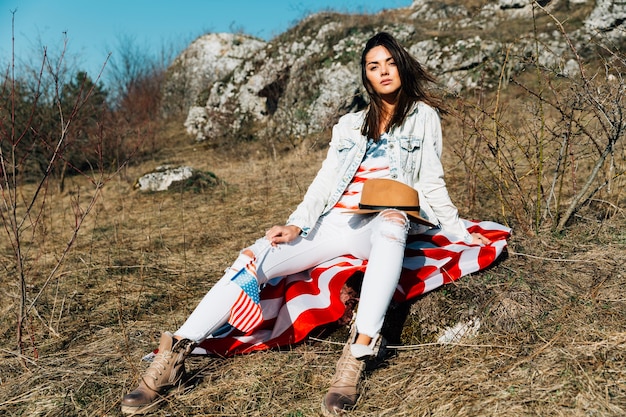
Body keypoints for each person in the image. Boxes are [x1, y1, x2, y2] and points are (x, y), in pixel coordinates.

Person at [120, 31, 493, 416]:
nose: (383, 72)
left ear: (401, 64)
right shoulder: (348, 125)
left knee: (393, 222)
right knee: (257, 256)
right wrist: (296, 224)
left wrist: (457, 230)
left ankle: (357, 354)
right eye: (373, 66)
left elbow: (431, 181)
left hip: (381, 223)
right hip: (333, 222)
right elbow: (325, 181)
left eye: (390, 63)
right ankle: (174, 355)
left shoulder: (422, 117)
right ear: (365, 76)